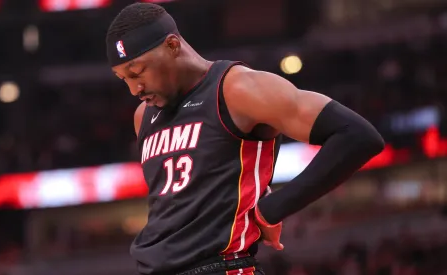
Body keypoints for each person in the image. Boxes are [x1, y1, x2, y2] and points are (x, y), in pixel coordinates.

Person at [105, 3, 384, 275]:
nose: (134, 89)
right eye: (122, 78)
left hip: (221, 266)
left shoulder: (237, 88)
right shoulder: (143, 116)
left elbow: (357, 135)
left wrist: (271, 209)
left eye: (137, 72)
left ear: (172, 45)